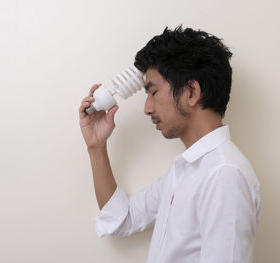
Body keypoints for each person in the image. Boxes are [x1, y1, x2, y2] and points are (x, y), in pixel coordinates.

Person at [78, 26, 261, 263]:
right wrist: (96, 145)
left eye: (153, 92)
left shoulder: (224, 176)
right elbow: (123, 219)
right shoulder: (184, 169)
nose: (147, 108)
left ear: (191, 92)